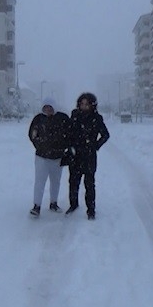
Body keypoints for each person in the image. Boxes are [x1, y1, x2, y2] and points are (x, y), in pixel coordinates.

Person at [65, 92, 110, 220]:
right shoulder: (74, 116)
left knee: (89, 183)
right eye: (82, 104)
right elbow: (68, 133)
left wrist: (95, 145)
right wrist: (70, 146)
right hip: (75, 155)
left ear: (92, 105)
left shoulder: (97, 118)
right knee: (73, 181)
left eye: (87, 104)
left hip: (89, 156)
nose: (84, 106)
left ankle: (91, 210)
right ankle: (73, 205)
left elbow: (105, 135)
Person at [28, 97, 70, 217]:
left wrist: (64, 147)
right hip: (42, 157)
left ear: (54, 107)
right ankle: (37, 206)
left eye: (50, 107)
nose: (48, 110)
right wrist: (40, 145)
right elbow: (32, 135)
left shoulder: (62, 118)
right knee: (39, 182)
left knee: (55, 181)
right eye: (45, 107)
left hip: (57, 157)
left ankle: (53, 203)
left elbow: (70, 134)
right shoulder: (38, 119)